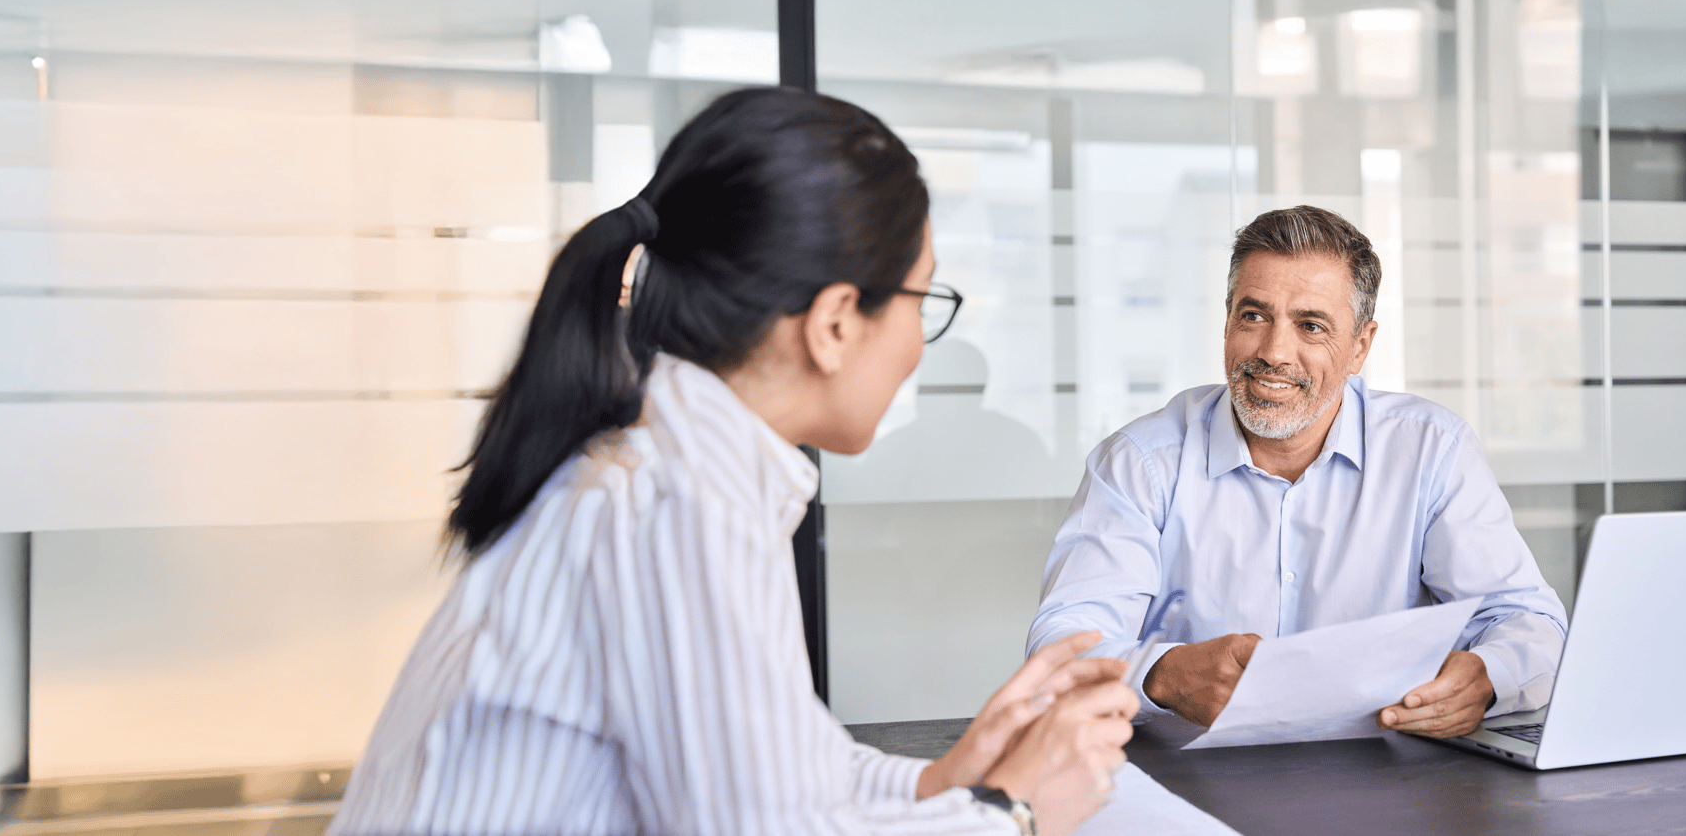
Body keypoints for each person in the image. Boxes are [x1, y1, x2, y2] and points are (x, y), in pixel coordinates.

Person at [332, 88, 1136, 836]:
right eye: (921, 300)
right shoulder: (677, 501)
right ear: (833, 324)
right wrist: (1015, 810)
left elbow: (781, 772)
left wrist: (944, 780)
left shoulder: (681, 466)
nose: (919, 348)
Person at [1028, 205, 1568, 739]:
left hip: (1387, 769)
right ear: (1227, 319)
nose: (1274, 352)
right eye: (1253, 316)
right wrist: (1162, 675)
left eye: (1311, 326)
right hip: (1184, 770)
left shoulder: (1430, 451)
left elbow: (1527, 620)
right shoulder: (1140, 461)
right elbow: (1061, 646)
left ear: (1359, 347)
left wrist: (1488, 678)